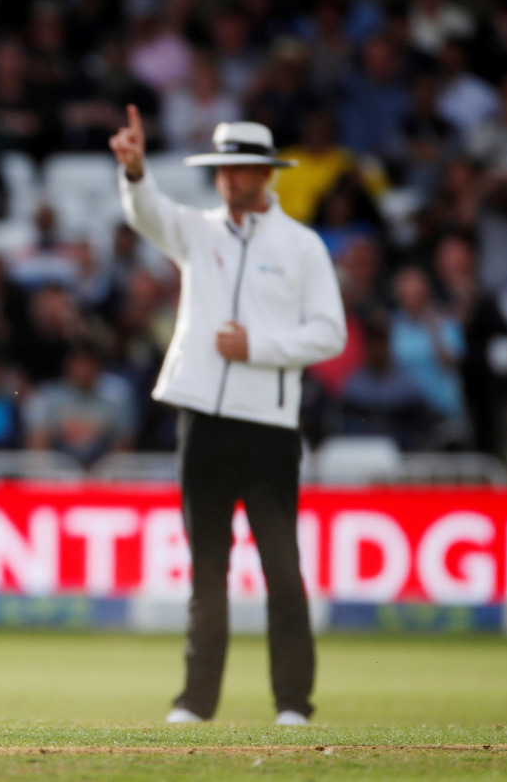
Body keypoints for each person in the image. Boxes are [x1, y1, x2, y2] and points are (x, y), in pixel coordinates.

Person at [110, 107, 346, 725]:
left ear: (265, 174)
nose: (229, 180)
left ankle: (293, 703)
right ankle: (195, 702)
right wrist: (134, 171)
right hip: (203, 421)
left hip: (268, 426)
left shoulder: (302, 246)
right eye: (222, 170)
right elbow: (149, 214)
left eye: (240, 169)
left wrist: (259, 349)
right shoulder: (200, 231)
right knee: (207, 568)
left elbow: (331, 334)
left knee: (281, 567)